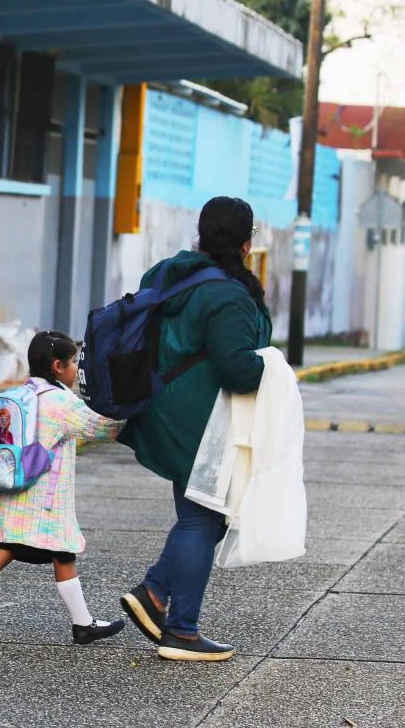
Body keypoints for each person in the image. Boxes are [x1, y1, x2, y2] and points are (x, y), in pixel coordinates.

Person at [118, 196, 272, 662]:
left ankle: (157, 595)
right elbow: (238, 370)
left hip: (162, 407)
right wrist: (277, 371)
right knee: (203, 518)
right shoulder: (226, 294)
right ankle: (179, 628)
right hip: (199, 420)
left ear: (202, 235)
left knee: (201, 516)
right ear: (246, 244)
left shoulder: (171, 272)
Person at [0, 331, 126, 645]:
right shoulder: (59, 402)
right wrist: (130, 409)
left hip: (16, 487)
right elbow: (100, 428)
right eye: (72, 363)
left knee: (11, 548)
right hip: (45, 498)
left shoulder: (23, 393)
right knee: (61, 552)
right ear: (57, 366)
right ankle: (83, 625)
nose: (75, 370)